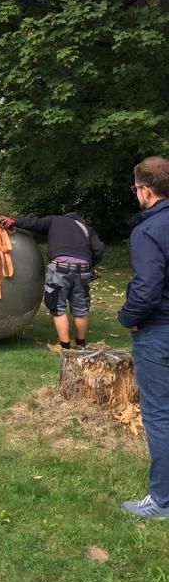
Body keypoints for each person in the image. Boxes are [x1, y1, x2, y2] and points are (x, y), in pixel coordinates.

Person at [117, 156, 169, 519]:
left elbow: (148, 289)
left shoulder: (148, 230)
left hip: (158, 331)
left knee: (160, 414)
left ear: (145, 191)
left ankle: (163, 500)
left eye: (136, 189)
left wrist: (127, 317)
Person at [0, 211, 105, 350]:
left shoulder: (54, 220)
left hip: (61, 267)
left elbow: (34, 223)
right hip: (83, 269)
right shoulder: (85, 228)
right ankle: (80, 344)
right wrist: (91, 265)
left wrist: (14, 222)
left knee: (57, 306)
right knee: (80, 307)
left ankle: (64, 346)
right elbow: (99, 248)